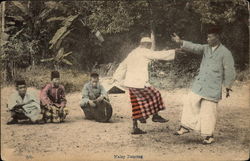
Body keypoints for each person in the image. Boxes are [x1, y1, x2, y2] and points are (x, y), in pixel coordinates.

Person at [171, 26, 236, 144]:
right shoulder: (205, 48)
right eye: (207, 37)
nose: (207, 39)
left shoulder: (225, 53)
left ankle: (209, 136)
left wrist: (228, 86)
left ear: (217, 37)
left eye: (210, 37)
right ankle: (185, 127)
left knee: (209, 111)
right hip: (200, 83)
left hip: (213, 86)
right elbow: (195, 47)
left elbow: (230, 70)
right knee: (190, 101)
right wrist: (180, 42)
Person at [112, 36, 176, 134]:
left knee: (135, 104)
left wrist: (116, 77)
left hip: (130, 83)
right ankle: (155, 115)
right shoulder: (144, 51)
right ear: (145, 44)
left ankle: (135, 127)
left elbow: (122, 65)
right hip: (139, 83)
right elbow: (157, 55)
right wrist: (173, 52)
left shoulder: (132, 53)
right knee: (156, 94)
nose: (149, 47)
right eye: (149, 45)